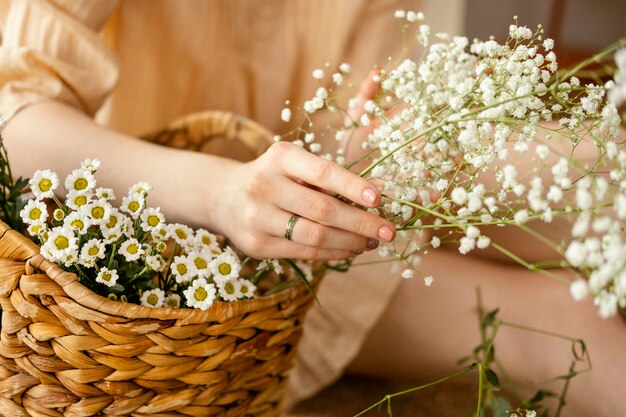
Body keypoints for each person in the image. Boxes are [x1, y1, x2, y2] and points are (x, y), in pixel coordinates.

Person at [1, 2, 624, 416]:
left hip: (337, 215)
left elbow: (366, 97)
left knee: (608, 170)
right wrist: (222, 193)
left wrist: (365, 143)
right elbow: (12, 122)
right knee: (577, 332)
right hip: (175, 266)